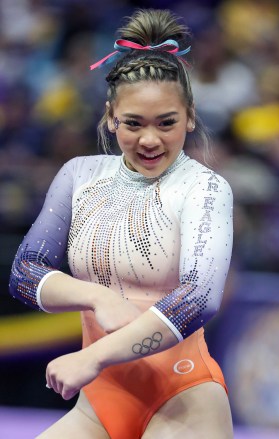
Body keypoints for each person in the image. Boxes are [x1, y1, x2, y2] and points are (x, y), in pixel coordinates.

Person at [9, 9, 234, 439]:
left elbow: (198, 299)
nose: (150, 140)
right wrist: (96, 297)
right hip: (98, 405)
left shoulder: (204, 188)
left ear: (189, 116)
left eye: (166, 123)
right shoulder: (80, 175)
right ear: (112, 116)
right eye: (133, 123)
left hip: (183, 399)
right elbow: (25, 272)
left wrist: (94, 356)